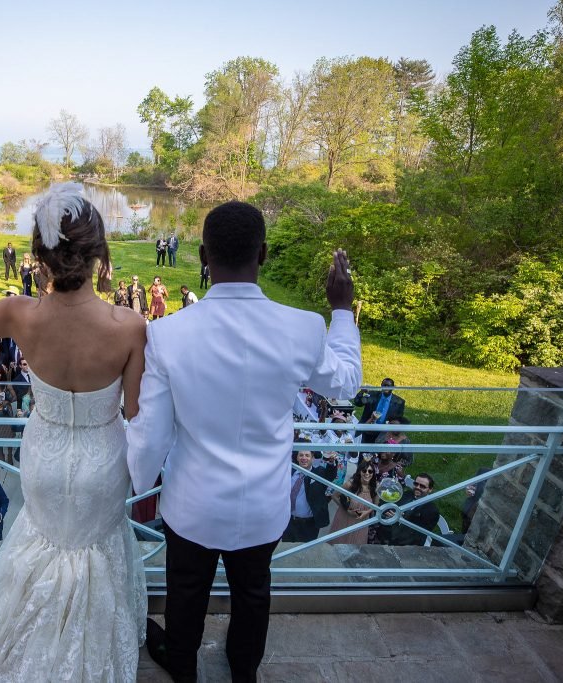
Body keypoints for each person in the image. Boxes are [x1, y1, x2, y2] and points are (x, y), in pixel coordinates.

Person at [127, 200, 360, 683]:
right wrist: (341, 312)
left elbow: (151, 433)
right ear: (264, 254)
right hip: (263, 504)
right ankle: (243, 672)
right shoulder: (304, 327)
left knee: (185, 593)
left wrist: (136, 482)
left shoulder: (167, 334)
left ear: (202, 257)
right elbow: (345, 384)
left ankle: (184, 667)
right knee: (253, 593)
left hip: (191, 503)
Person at [0, 182, 147, 681]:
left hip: (43, 457)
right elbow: (136, 413)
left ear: (39, 255)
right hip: (103, 461)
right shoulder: (131, 326)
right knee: (94, 552)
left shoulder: (19, 314)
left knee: (42, 545)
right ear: (98, 254)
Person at [282, 445, 338, 543]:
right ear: (297, 457)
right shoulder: (290, 471)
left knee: (305, 552)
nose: (304, 458)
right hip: (288, 522)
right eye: (301, 455)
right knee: (286, 549)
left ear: (312, 458)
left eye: (307, 455)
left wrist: (331, 462)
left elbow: (330, 474)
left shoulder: (319, 473)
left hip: (309, 525)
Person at [328, 461, 377, 545]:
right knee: (338, 544)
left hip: (361, 522)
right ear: (359, 472)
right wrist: (346, 509)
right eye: (364, 471)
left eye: (370, 471)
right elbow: (334, 496)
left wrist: (367, 512)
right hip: (344, 518)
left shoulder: (375, 487)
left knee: (356, 546)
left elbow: (376, 505)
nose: (367, 473)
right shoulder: (349, 484)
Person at [386, 473, 440, 546]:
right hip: (388, 536)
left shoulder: (432, 511)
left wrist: (401, 520)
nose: (418, 487)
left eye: (422, 486)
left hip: (408, 546)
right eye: (416, 484)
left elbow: (418, 535)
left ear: (430, 490)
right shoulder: (407, 494)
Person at [353, 377, 406, 443]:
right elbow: (357, 403)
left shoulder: (399, 402)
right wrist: (361, 392)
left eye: (388, 386)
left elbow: (398, 419)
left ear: (392, 387)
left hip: (383, 433)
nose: (386, 387)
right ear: (381, 386)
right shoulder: (372, 395)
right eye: (384, 385)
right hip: (367, 428)